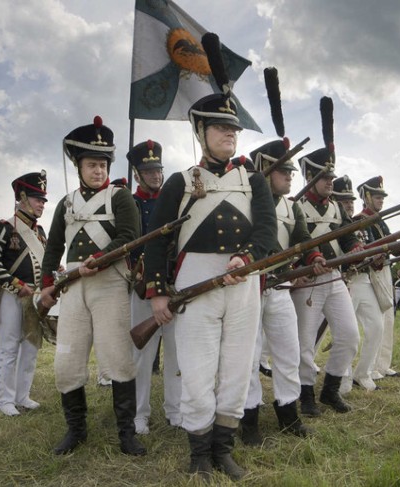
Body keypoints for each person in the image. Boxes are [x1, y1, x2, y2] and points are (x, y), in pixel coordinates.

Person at [142, 93, 277, 480]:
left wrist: (247, 256)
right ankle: (199, 452)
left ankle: (223, 448)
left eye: (233, 128)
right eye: (220, 127)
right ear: (201, 132)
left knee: (237, 368)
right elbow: (156, 240)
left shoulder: (253, 180)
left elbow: (267, 228)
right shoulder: (180, 182)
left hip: (243, 280)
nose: (229, 134)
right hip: (194, 280)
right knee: (198, 371)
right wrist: (158, 291)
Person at [39, 116, 145, 456]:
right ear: (79, 165)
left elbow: (130, 237)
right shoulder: (66, 203)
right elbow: (54, 246)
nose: (98, 170)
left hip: (109, 282)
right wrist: (46, 286)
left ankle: (126, 433)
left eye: (102, 164)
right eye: (91, 164)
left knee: (117, 359)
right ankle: (76, 430)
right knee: (67, 362)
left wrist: (98, 259)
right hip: (72, 286)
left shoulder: (120, 197)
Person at [240, 140, 324, 446]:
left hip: (279, 288)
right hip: (249, 286)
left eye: (291, 170)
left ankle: (289, 415)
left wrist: (313, 259)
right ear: (265, 170)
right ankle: (248, 420)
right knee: (248, 357)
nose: (290, 176)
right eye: (284, 170)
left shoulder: (292, 206)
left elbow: (303, 238)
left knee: (288, 352)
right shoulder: (244, 199)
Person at [293, 135, 362, 415]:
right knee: (305, 343)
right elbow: (293, 243)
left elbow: (346, 238)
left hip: (334, 279)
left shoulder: (335, 206)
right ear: (309, 176)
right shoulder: (295, 206)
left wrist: (356, 247)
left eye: (331, 177)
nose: (330, 182)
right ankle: (306, 394)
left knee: (349, 335)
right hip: (308, 281)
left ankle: (330, 391)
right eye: (324, 177)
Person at [0, 171, 48, 416]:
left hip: (35, 296)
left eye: (43, 200)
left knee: (30, 347)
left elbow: (44, 262)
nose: (41, 204)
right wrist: (16, 284)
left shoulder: (40, 233)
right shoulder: (5, 228)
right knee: (8, 347)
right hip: (12, 295)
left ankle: (22, 396)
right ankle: (5, 401)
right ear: (21, 197)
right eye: (36, 198)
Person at [127, 139, 181, 435]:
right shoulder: (130, 204)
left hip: (172, 285)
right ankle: (139, 414)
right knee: (142, 354)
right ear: (137, 174)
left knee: (175, 351)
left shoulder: (173, 201)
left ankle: (175, 410)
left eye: (157, 170)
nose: (156, 175)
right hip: (142, 285)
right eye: (148, 171)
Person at [356, 176, 400, 380]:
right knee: (378, 319)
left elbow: (391, 241)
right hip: (373, 271)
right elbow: (370, 247)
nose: (381, 200)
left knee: (387, 318)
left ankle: (382, 365)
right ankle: (370, 368)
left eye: (382, 197)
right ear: (367, 197)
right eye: (377, 197)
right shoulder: (362, 220)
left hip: (385, 268)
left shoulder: (379, 220)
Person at [336, 174, 383, 392]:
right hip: (342, 281)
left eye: (351, 201)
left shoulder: (358, 224)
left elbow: (372, 248)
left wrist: (378, 257)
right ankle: (342, 376)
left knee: (376, 326)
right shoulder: (333, 224)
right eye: (344, 201)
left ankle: (362, 373)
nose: (349, 205)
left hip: (362, 279)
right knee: (346, 334)